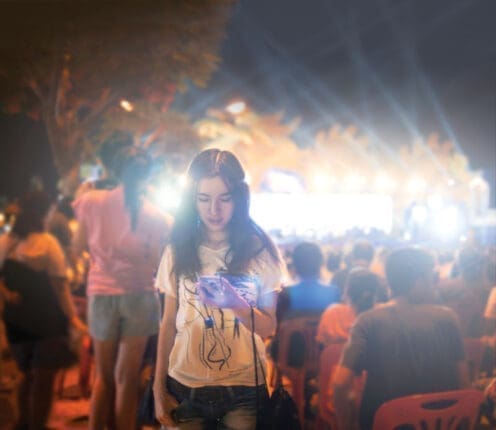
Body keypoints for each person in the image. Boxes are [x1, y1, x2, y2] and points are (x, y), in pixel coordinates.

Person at [153, 148, 285, 429]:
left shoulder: (260, 251)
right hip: (184, 386)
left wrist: (234, 302)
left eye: (224, 198)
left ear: (239, 198)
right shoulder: (178, 249)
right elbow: (167, 323)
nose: (214, 210)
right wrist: (157, 388)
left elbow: (268, 328)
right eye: (204, 199)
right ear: (193, 201)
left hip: (245, 391)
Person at [72, 143, 172, 430]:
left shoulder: (91, 202)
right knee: (127, 378)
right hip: (140, 296)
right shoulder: (160, 217)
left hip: (102, 295)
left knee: (103, 378)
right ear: (148, 177)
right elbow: (158, 262)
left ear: (115, 170)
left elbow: (78, 246)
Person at [332, 247, 468, 430]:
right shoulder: (448, 318)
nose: (434, 285)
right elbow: (463, 384)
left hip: (384, 424)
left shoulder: (368, 321)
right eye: (431, 279)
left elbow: (340, 383)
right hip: (441, 424)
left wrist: (346, 424)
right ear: (418, 282)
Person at [0, 190, 87, 430]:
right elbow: (61, 288)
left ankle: (22, 423)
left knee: (26, 374)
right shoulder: (48, 243)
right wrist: (72, 318)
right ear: (44, 213)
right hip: (46, 320)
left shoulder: (7, 241)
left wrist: (7, 295)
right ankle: (37, 425)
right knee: (44, 377)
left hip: (16, 320)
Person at [316, 268, 382, 346]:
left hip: (335, 357)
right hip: (371, 357)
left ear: (347, 289)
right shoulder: (383, 313)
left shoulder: (332, 313)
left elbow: (321, 343)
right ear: (375, 292)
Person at [276, 241, 339, 322]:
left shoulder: (285, 294)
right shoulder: (334, 292)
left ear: (295, 265)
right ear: (321, 263)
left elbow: (280, 327)